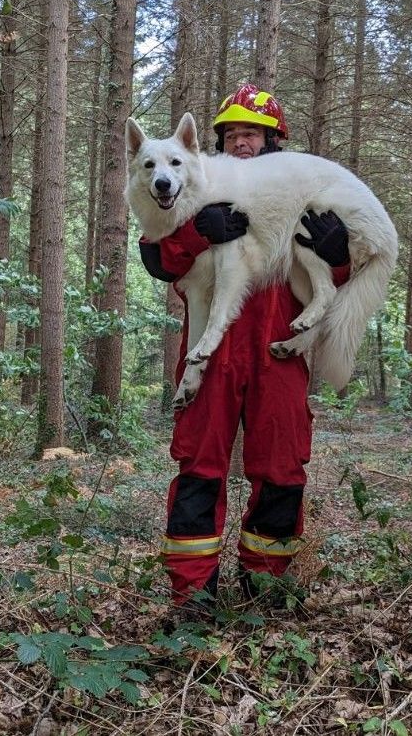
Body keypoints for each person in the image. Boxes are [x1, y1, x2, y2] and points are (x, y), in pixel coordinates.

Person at [139, 83, 351, 611]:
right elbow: (159, 260)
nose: (241, 143)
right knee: (199, 466)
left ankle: (267, 585)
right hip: (211, 354)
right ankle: (192, 594)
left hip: (280, 349)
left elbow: (337, 279)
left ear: (272, 141)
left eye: (251, 134)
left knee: (282, 467)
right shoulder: (194, 186)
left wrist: (337, 252)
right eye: (232, 134)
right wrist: (198, 234)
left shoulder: (301, 195)